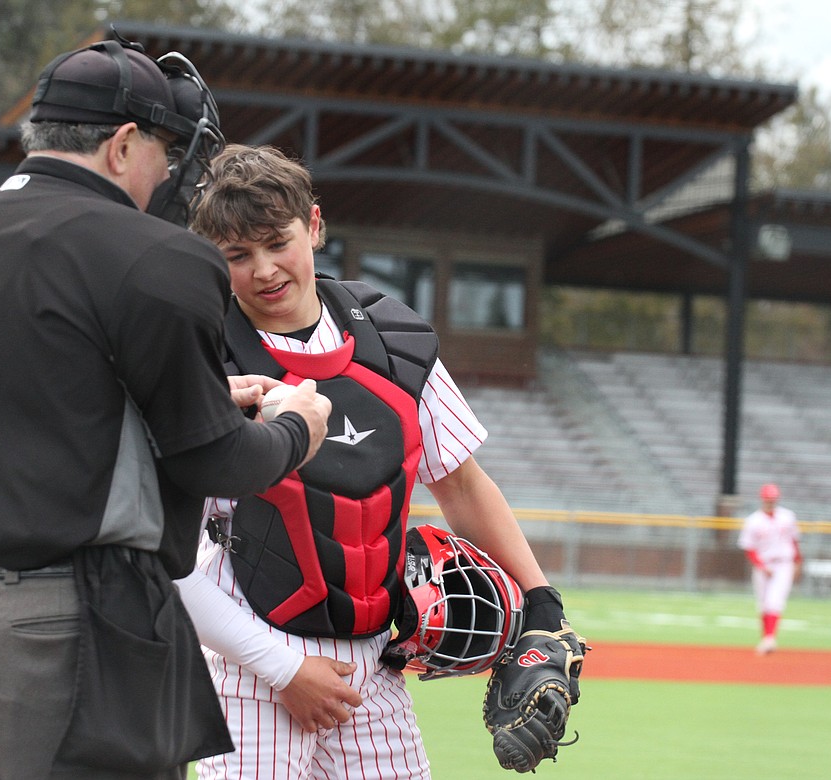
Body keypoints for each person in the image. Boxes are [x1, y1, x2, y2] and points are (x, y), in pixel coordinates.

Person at [0, 39, 331, 780]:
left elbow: (47, 402)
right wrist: (295, 430)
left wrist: (209, 395)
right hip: (60, 620)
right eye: (165, 149)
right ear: (123, 145)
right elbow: (214, 459)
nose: (169, 174)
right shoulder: (160, 255)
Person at [177, 144, 584, 779]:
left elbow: (462, 483)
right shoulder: (197, 357)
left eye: (276, 242)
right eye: (237, 255)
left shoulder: (392, 341)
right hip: (248, 668)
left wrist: (541, 602)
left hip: (373, 660)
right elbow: (166, 553)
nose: (263, 270)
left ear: (313, 225)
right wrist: (280, 668)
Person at [738, 482, 802, 655]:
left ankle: (770, 638)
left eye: (773, 499)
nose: (770, 502)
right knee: (763, 604)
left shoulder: (788, 516)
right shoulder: (753, 520)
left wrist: (797, 562)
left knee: (775, 601)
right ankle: (767, 638)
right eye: (768, 499)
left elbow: (794, 541)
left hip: (783, 564)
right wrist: (761, 566)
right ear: (762, 499)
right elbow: (749, 548)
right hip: (764, 564)